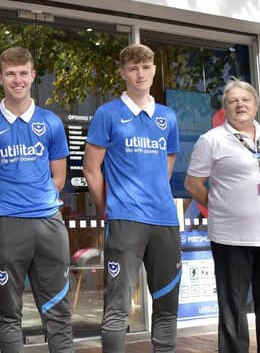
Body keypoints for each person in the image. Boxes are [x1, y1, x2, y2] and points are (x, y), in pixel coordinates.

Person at [0, 46, 73, 352]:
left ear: (33, 76)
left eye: (23, 73)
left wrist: (35, 203)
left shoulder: (51, 122)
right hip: (7, 227)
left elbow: (59, 179)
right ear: (0, 78)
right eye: (10, 74)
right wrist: (2, 205)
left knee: (59, 313)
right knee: (9, 314)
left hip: (48, 226)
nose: (17, 80)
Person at [83, 44, 181, 353]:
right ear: (123, 72)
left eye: (146, 67)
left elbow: (165, 167)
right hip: (125, 220)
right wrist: (108, 208)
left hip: (164, 220)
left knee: (166, 303)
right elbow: (90, 168)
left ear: (154, 70)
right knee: (117, 305)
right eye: (134, 68)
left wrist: (152, 196)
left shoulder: (167, 117)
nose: (140, 73)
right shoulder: (108, 113)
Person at [184, 80, 260, 353]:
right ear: (226, 108)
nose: (240, 104)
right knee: (233, 307)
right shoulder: (211, 140)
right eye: (233, 101)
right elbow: (193, 184)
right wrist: (221, 206)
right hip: (231, 238)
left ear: (255, 104)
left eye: (246, 99)